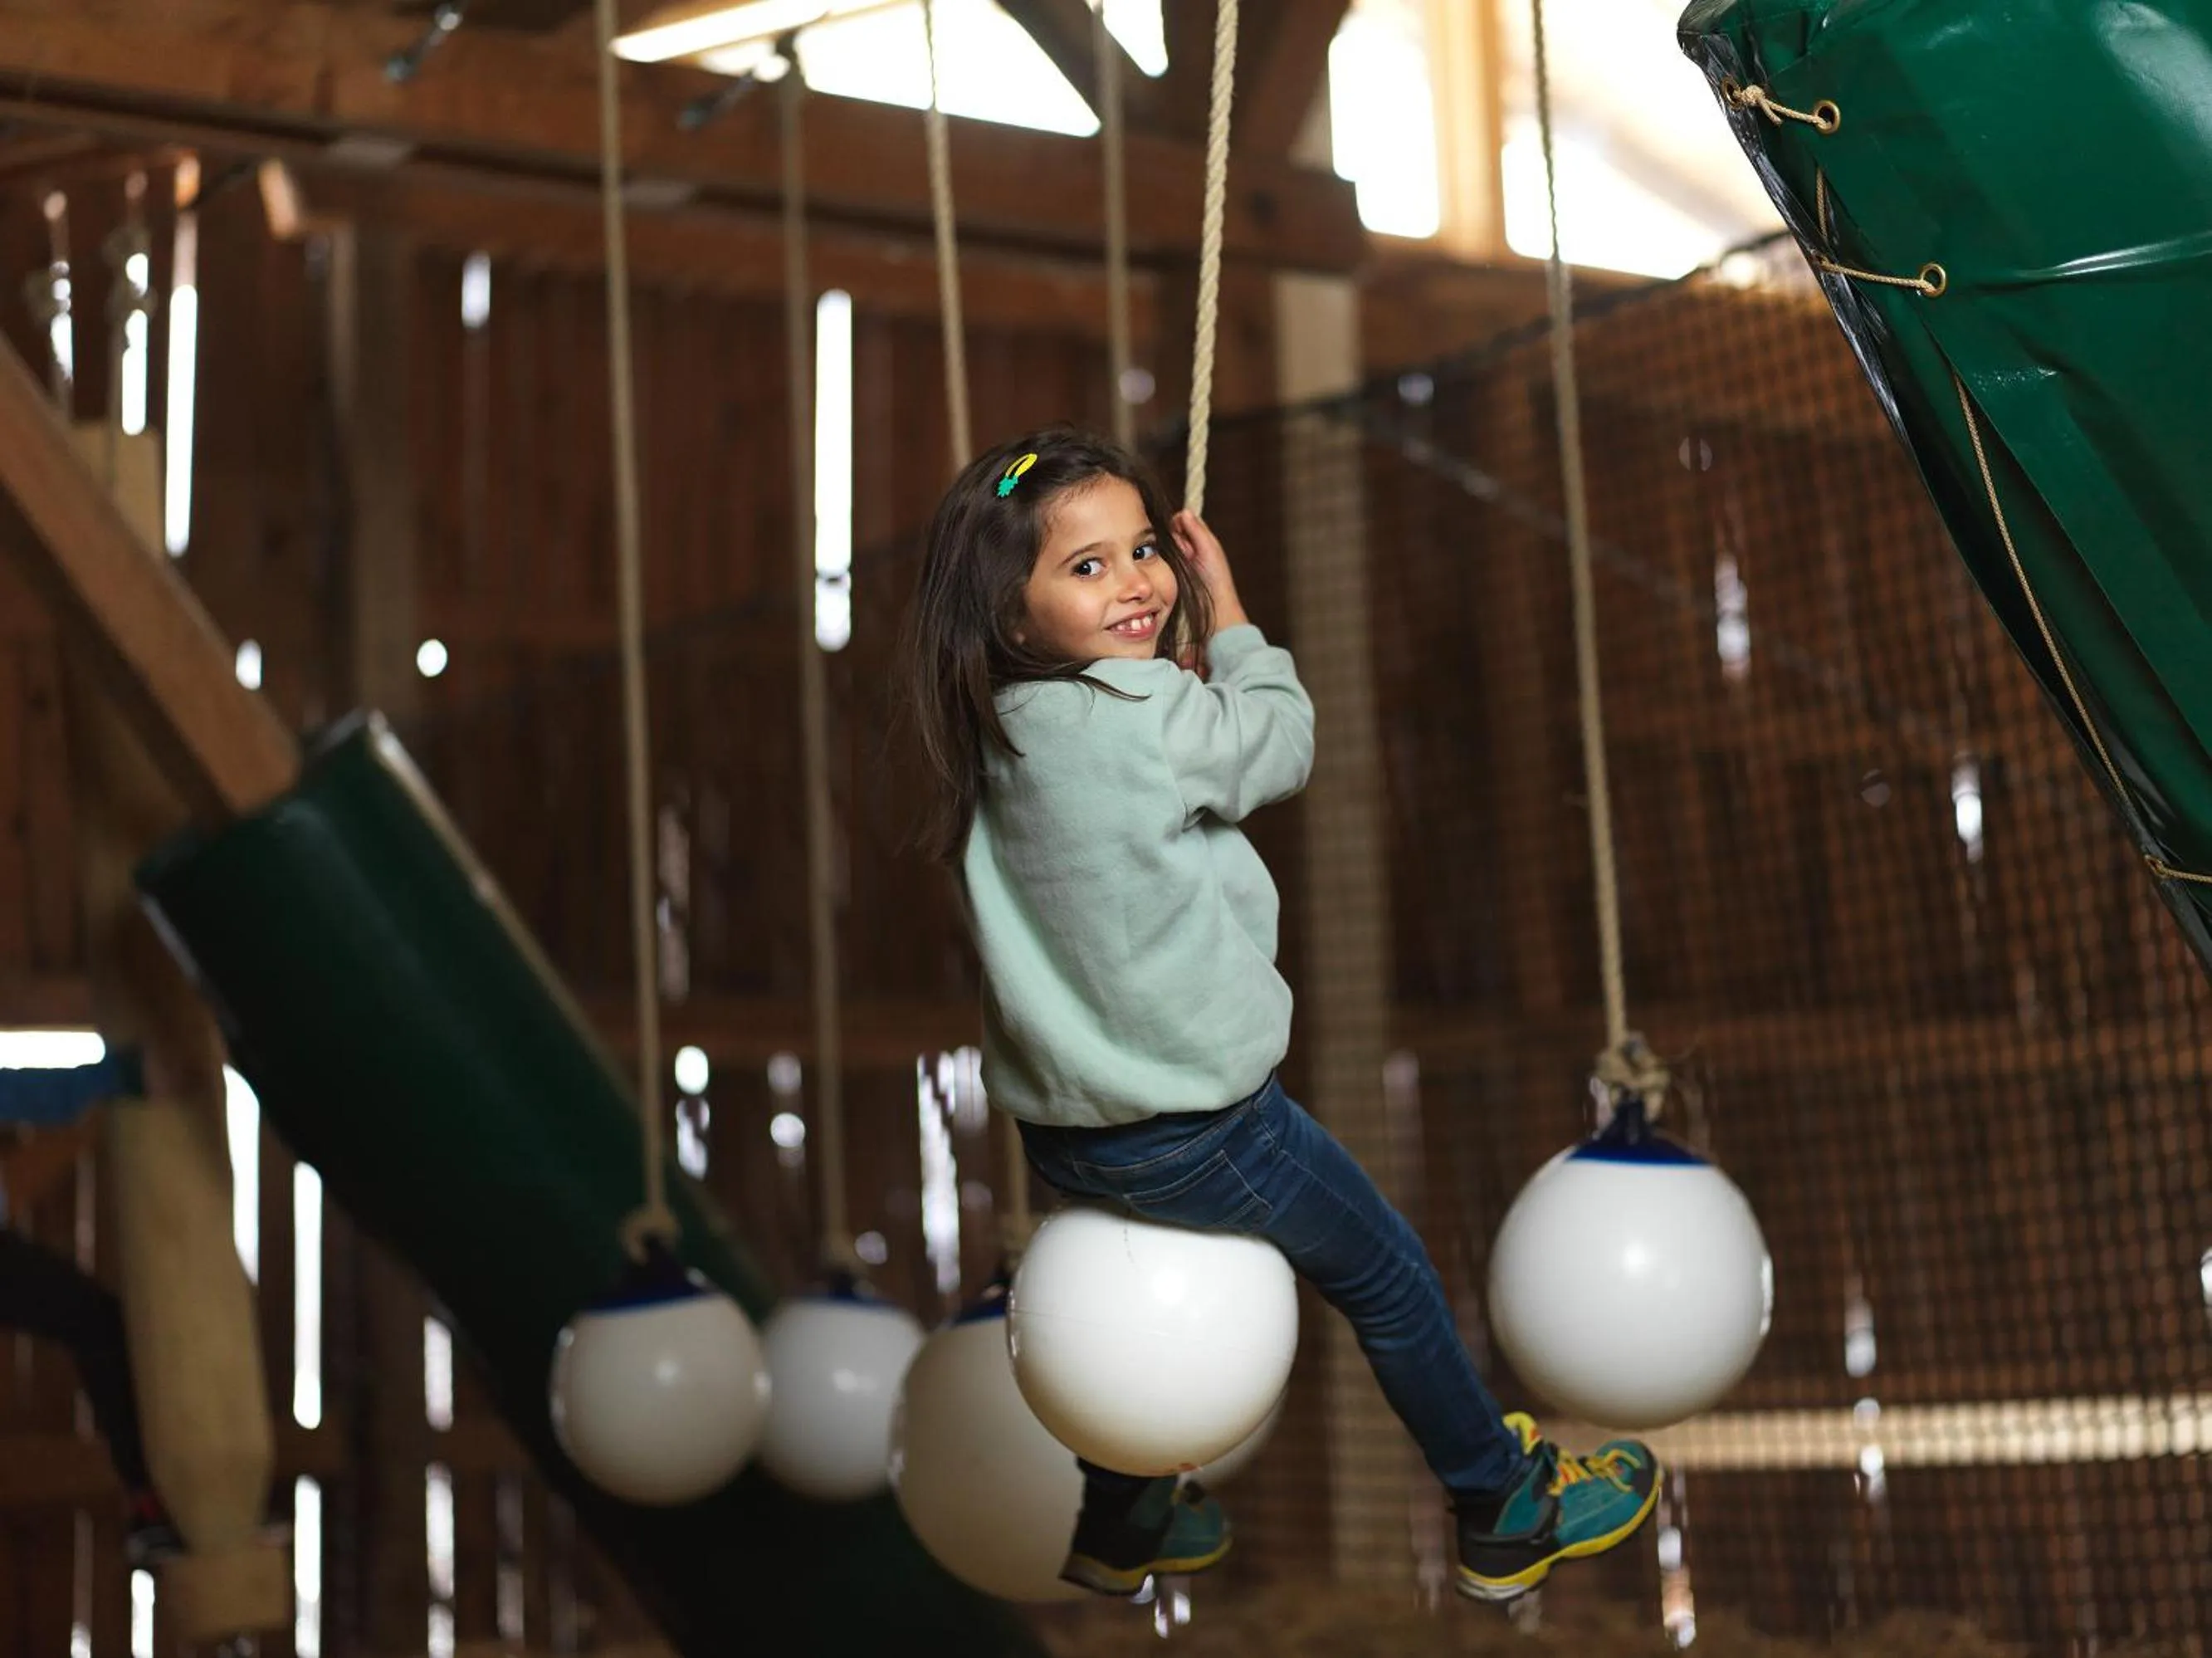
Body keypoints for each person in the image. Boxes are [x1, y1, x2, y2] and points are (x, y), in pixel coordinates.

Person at [900, 427, 1661, 1602]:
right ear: (1012, 616)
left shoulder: (1000, 735)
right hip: (1209, 1128)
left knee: (1127, 1319)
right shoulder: (1153, 720)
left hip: (1071, 1133)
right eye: (1087, 567)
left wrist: (1170, 676)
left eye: (1145, 550)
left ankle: (1120, 1519)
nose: (1139, 582)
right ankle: (1499, 1503)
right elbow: (1284, 744)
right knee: (1391, 1277)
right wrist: (1233, 622)